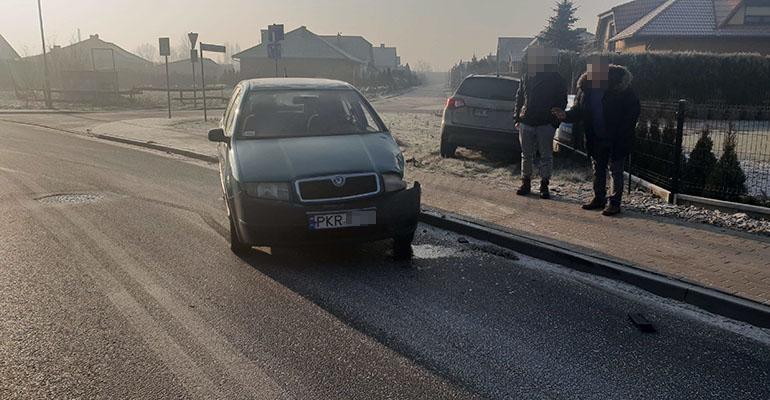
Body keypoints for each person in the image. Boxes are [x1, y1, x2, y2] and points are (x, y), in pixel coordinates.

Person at [552, 56, 641, 216]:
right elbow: (579, 111)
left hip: (617, 137)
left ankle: (614, 203)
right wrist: (565, 115)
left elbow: (633, 112)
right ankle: (599, 198)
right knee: (598, 168)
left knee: (615, 169)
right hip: (595, 136)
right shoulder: (586, 89)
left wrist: (623, 132)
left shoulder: (621, 87)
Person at [514, 47, 568, 199]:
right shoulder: (527, 76)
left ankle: (544, 185)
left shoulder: (556, 78)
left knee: (546, 156)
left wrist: (554, 123)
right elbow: (519, 97)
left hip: (546, 123)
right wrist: (517, 118)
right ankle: (526, 183)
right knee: (526, 155)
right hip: (527, 122)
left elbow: (562, 101)